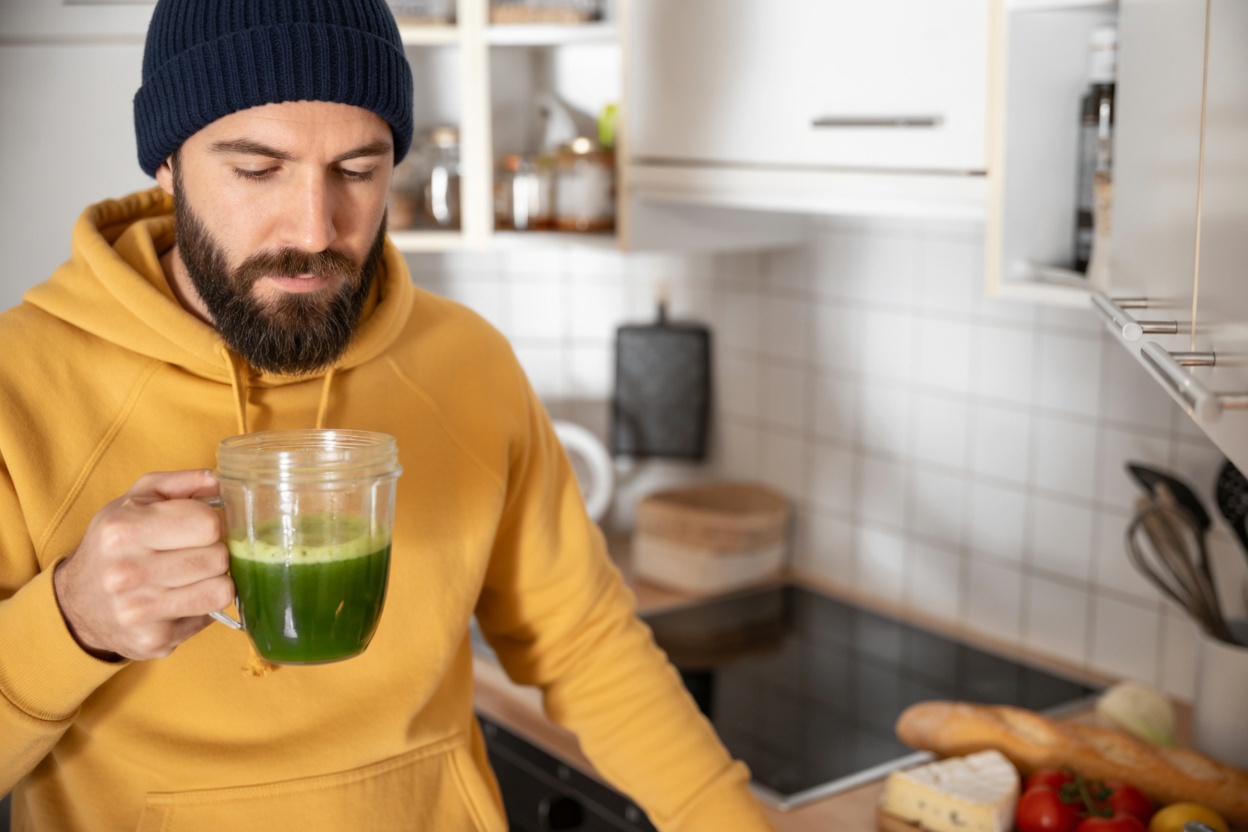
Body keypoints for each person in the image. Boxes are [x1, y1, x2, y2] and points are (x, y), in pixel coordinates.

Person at [0, 1, 777, 829]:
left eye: (358, 170)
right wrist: (71, 620)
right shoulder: (22, 384)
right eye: (258, 170)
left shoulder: (468, 364)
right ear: (167, 164)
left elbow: (585, 645)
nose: (314, 227)